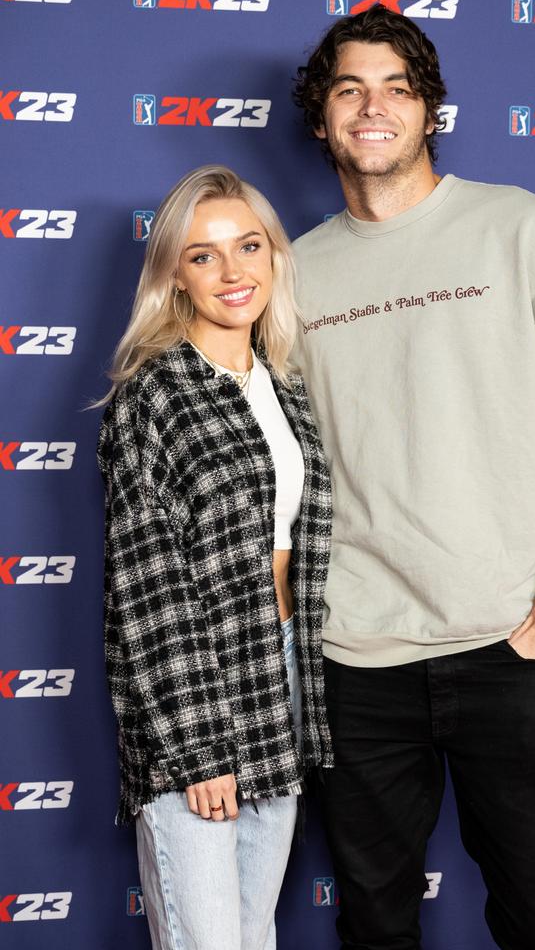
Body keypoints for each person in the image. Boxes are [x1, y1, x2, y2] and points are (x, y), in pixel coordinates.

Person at [292, 5, 535, 950]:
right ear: (321, 119)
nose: (374, 109)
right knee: (375, 925)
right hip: (356, 658)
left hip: (509, 642)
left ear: (429, 111)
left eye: (397, 89)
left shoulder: (522, 228)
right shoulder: (291, 273)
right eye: (349, 90)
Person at [96, 165, 333, 950]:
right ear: (173, 274)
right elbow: (148, 584)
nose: (233, 273)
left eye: (249, 246)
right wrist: (197, 748)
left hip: (283, 680)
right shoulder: (153, 394)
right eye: (203, 255)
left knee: (251, 933)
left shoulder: (286, 387)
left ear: (274, 257)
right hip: (195, 695)